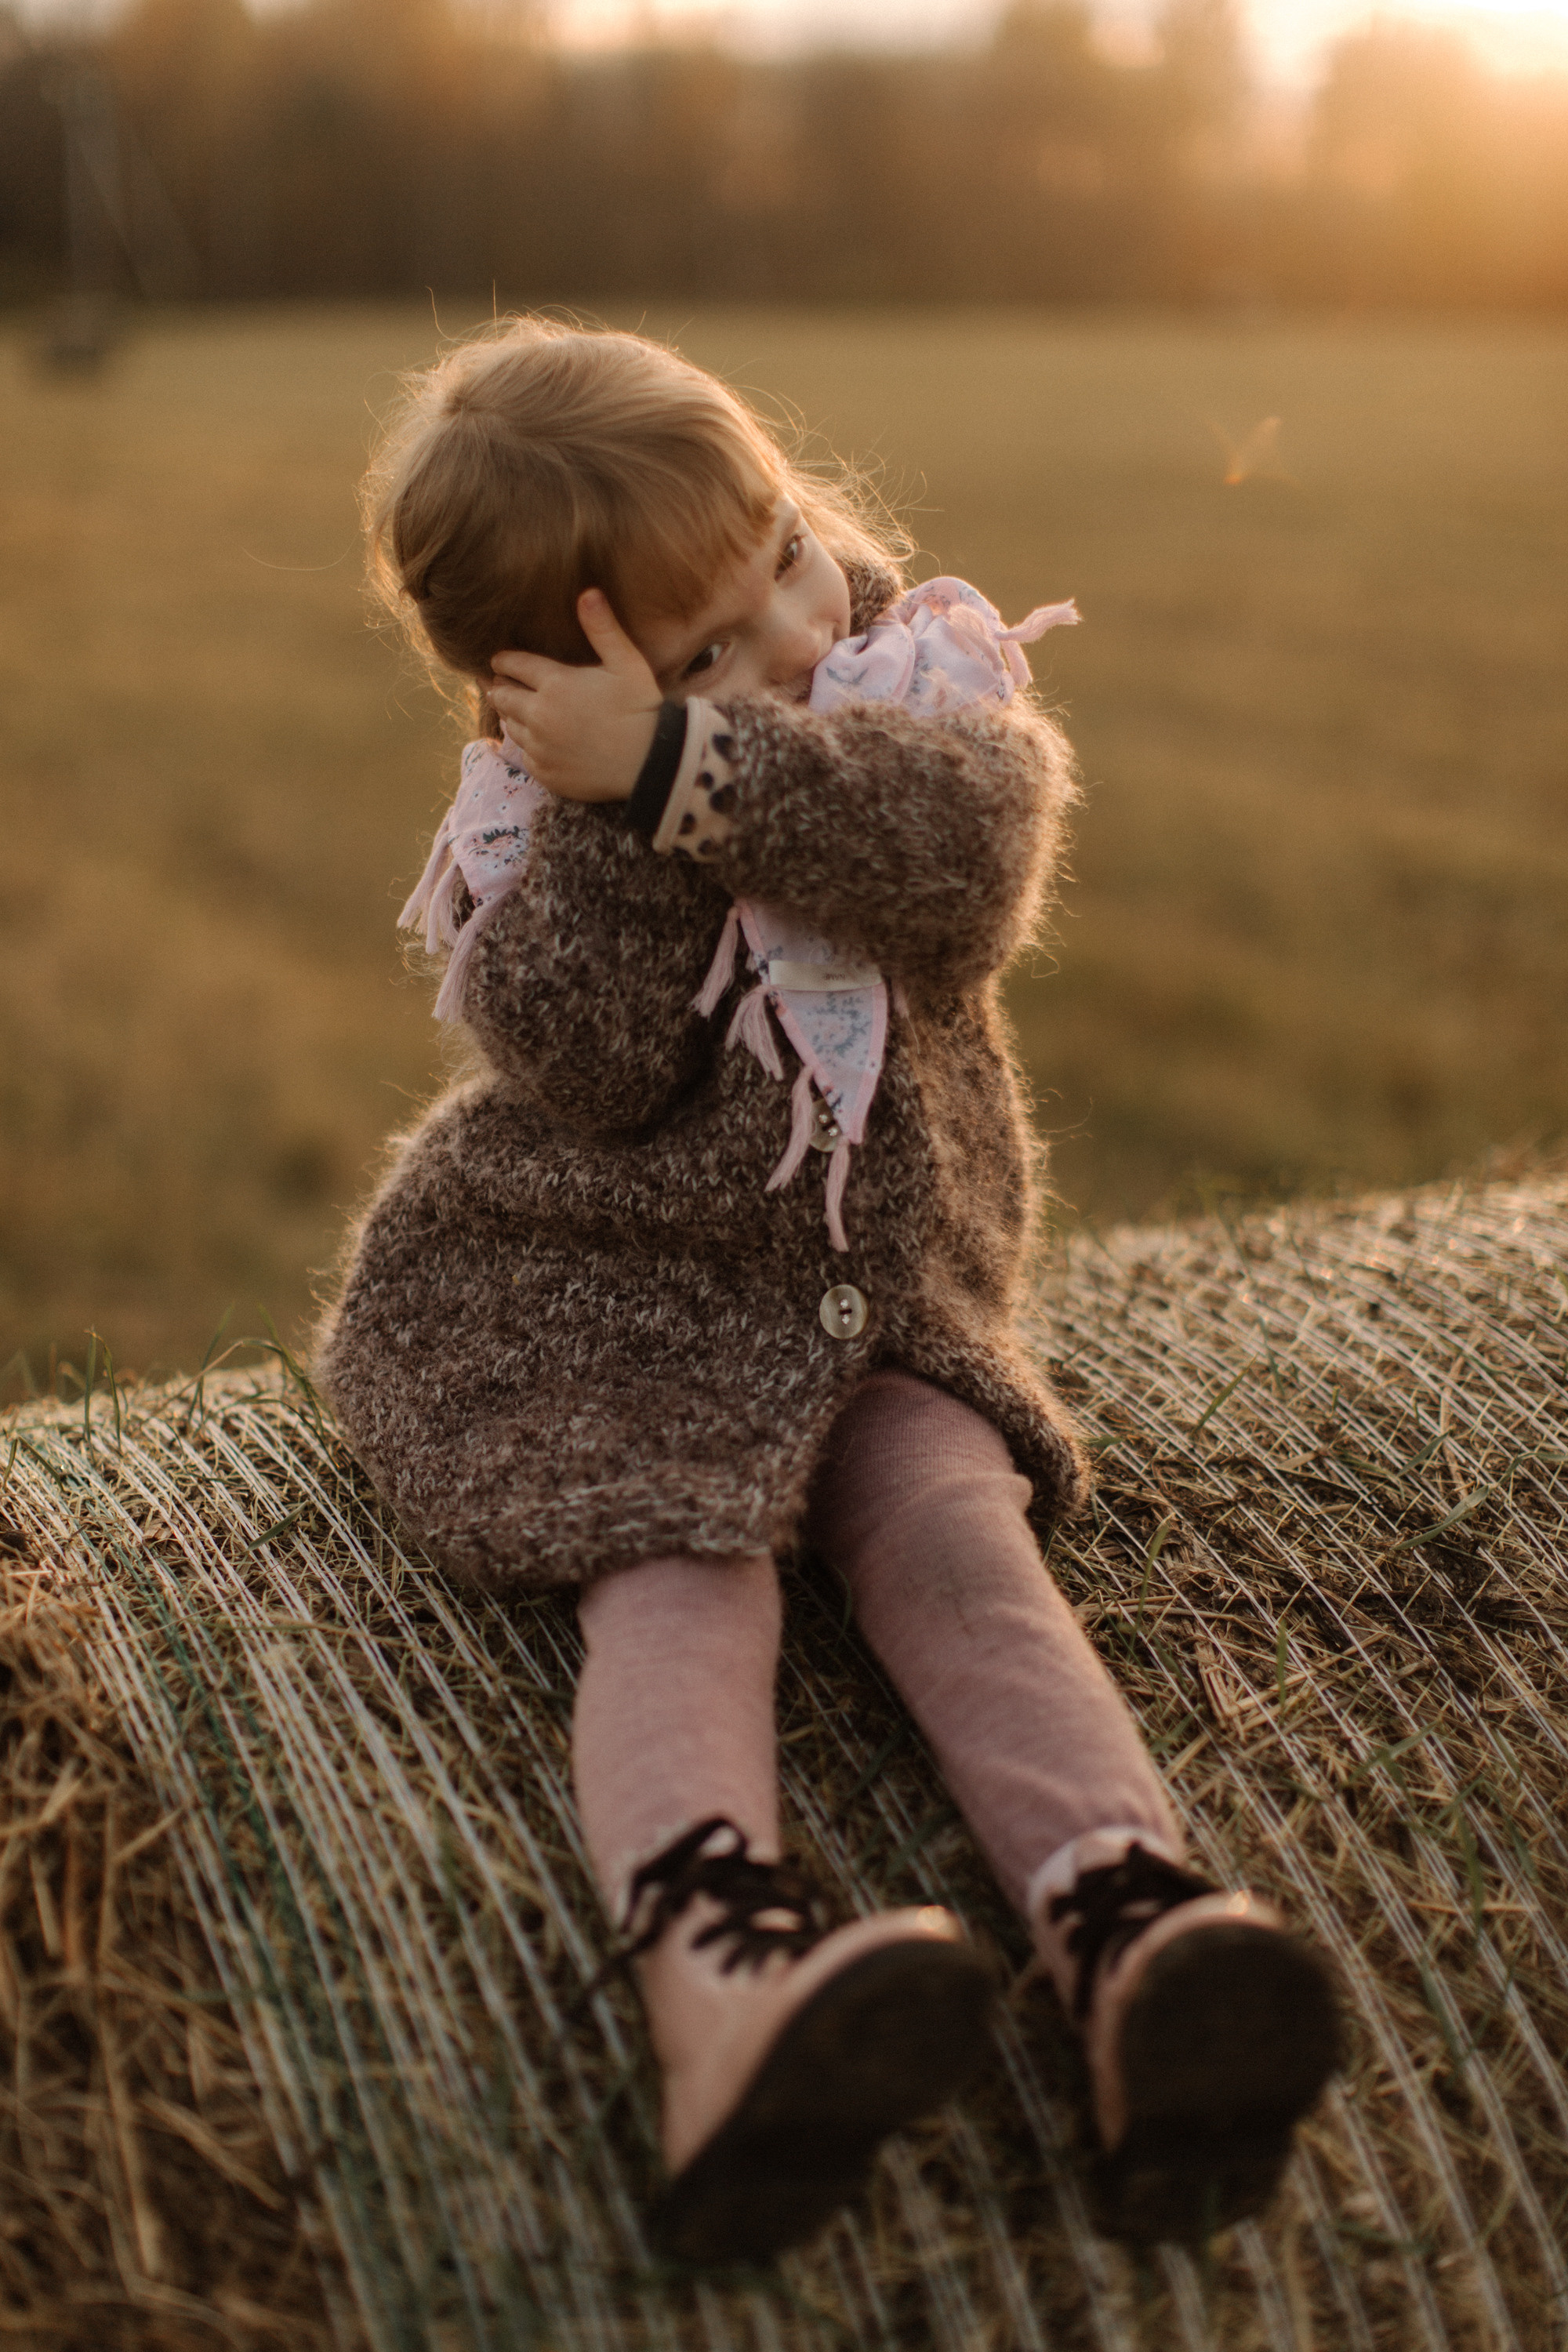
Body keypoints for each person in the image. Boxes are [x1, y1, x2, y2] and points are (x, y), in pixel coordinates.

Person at [317, 317, 1339, 2266]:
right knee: (683, 1564)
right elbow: (596, 1058)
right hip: (599, 1306)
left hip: (877, 1310)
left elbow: (963, 857)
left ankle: (1132, 1930)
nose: (785, 643)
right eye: (699, 649)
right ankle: (723, 1984)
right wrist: (619, 807)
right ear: (536, 695)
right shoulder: (556, 842)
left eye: (781, 554)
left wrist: (690, 753)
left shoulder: (924, 690)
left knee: (957, 1542)